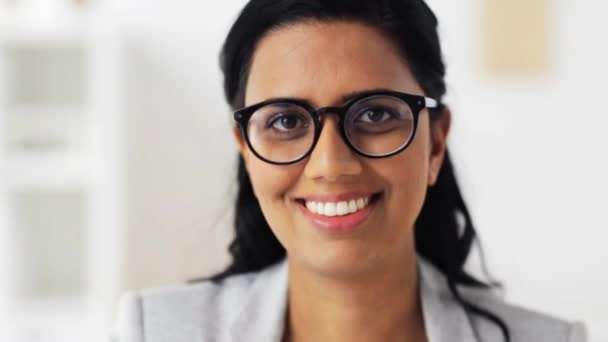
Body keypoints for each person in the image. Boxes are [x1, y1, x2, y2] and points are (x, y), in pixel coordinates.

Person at [113, 1, 588, 341]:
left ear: (436, 141)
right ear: (245, 148)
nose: (331, 165)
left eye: (376, 114)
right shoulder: (154, 331)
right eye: (285, 121)